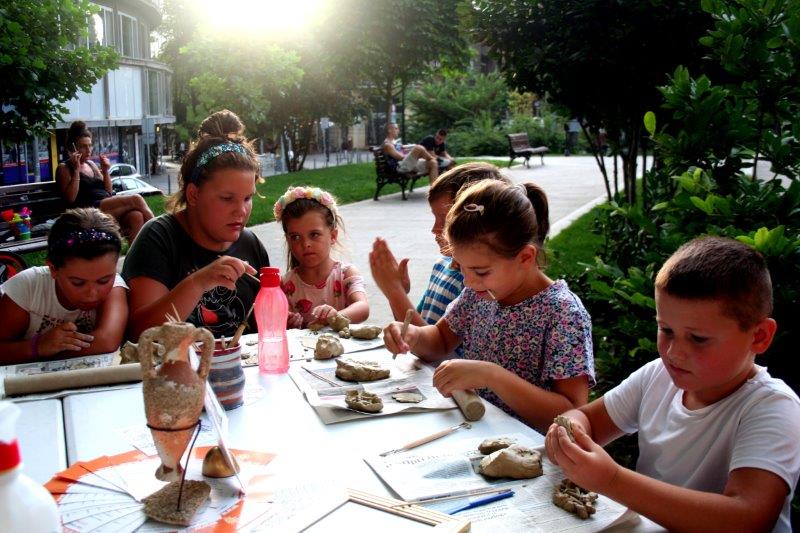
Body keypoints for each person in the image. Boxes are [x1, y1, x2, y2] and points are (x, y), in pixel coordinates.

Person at [545, 236, 800, 532]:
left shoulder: (773, 407)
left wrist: (612, 480)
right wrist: (568, 432)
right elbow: (587, 418)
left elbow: (747, 519)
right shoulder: (658, 376)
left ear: (759, 337)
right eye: (666, 330)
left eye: (698, 339)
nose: (674, 352)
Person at [383, 180, 595, 432]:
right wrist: (413, 336)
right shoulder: (479, 293)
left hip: (529, 449)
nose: (468, 281)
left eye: (481, 272)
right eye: (460, 267)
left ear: (526, 257)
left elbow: (571, 415)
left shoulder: (563, 314)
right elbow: (441, 339)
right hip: (476, 432)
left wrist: (491, 376)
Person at [122, 110, 270, 340]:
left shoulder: (250, 244)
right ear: (193, 194)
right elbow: (141, 333)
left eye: (247, 198)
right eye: (227, 198)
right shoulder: (158, 238)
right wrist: (199, 282)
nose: (241, 211)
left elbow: (267, 324)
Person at [370, 162, 509, 328]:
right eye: (435, 218)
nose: (434, 229)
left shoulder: (476, 284)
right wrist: (398, 293)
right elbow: (412, 330)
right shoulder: (441, 265)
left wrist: (394, 291)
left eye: (445, 220)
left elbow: (432, 341)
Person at [0, 208, 128, 365]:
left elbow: (106, 341)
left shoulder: (115, 287)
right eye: (78, 283)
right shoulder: (29, 288)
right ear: (53, 269)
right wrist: (37, 347)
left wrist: (45, 352)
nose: (92, 294)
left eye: (103, 281)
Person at [274, 186, 369, 328]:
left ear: (333, 236)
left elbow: (362, 307)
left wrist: (335, 317)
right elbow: (278, 323)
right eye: (296, 237)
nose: (305, 244)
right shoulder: (286, 285)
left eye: (314, 234)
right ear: (288, 240)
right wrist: (287, 323)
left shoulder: (345, 274)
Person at [56, 121, 154, 242]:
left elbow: (108, 191)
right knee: (136, 199)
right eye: (83, 146)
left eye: (90, 145)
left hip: (104, 207)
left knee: (136, 216)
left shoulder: (91, 164)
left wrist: (106, 170)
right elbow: (70, 199)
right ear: (73, 148)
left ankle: (137, 254)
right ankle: (160, 233)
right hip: (86, 213)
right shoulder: (64, 168)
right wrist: (76, 170)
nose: (88, 150)